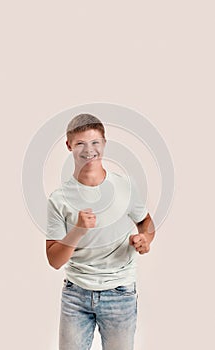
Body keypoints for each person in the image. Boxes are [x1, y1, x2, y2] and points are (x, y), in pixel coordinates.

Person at [46, 113, 155, 350]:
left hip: (120, 292)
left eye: (95, 142)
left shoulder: (124, 186)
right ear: (69, 146)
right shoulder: (59, 199)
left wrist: (144, 238)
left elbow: (146, 222)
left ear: (104, 144)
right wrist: (77, 231)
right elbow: (54, 260)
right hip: (76, 294)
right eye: (80, 144)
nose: (89, 150)